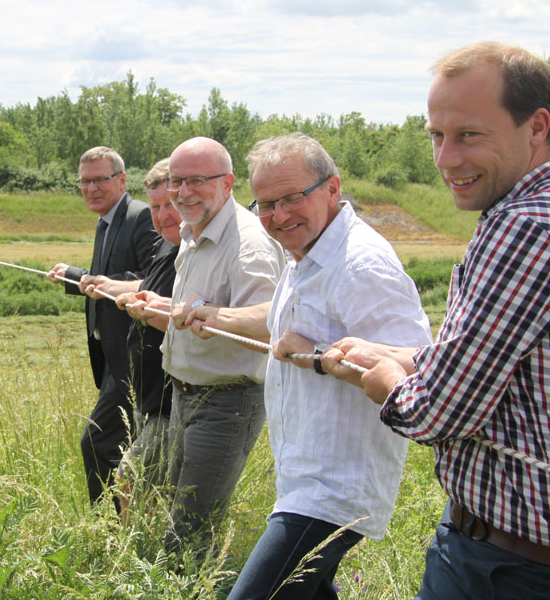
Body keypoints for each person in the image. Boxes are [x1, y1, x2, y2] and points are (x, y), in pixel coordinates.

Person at [321, 42, 550, 599]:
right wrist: (407, 357)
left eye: (469, 135)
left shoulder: (527, 227)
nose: (447, 158)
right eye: (436, 136)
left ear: (536, 126)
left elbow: (433, 415)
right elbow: (514, 369)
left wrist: (382, 381)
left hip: (507, 569)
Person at [181, 133, 432, 599]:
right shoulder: (305, 255)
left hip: (334, 489)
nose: (279, 216)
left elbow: (419, 366)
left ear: (332, 189)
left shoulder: (360, 264)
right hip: (303, 474)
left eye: (293, 198)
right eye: (267, 204)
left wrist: (318, 356)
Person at [127, 136, 284, 555]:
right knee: (181, 513)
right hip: (185, 396)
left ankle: (196, 585)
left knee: (189, 530)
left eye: (197, 180)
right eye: (177, 181)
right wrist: (162, 305)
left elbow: (274, 323)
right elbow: (198, 308)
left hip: (227, 402)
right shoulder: (195, 230)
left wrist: (214, 315)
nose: (183, 192)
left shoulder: (249, 244)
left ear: (229, 183)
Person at [46, 146, 158, 505]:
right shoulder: (106, 220)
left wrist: (85, 277)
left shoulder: (141, 216)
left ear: (122, 179)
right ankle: (131, 521)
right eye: (84, 182)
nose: (91, 188)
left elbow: (151, 282)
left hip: (134, 356)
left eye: (99, 179)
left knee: (96, 441)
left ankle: (109, 528)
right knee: (128, 444)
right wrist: (74, 277)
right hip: (111, 356)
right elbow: (103, 281)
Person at [79, 158, 182, 522]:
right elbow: (142, 284)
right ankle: (121, 535)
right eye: (157, 206)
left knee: (108, 453)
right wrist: (83, 279)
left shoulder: (152, 227)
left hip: (163, 388)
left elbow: (158, 294)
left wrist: (134, 299)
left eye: (171, 204)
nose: (163, 215)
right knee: (139, 479)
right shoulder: (164, 246)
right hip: (134, 371)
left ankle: (115, 534)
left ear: (121, 181)